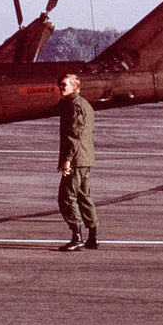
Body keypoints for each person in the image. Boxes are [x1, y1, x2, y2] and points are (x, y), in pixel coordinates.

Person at [56, 72, 98, 251]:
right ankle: (93, 237)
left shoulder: (73, 106)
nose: (61, 87)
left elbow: (74, 136)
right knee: (84, 196)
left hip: (76, 159)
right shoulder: (85, 104)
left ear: (75, 86)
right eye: (60, 84)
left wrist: (67, 160)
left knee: (67, 197)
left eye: (64, 84)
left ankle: (77, 236)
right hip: (85, 157)